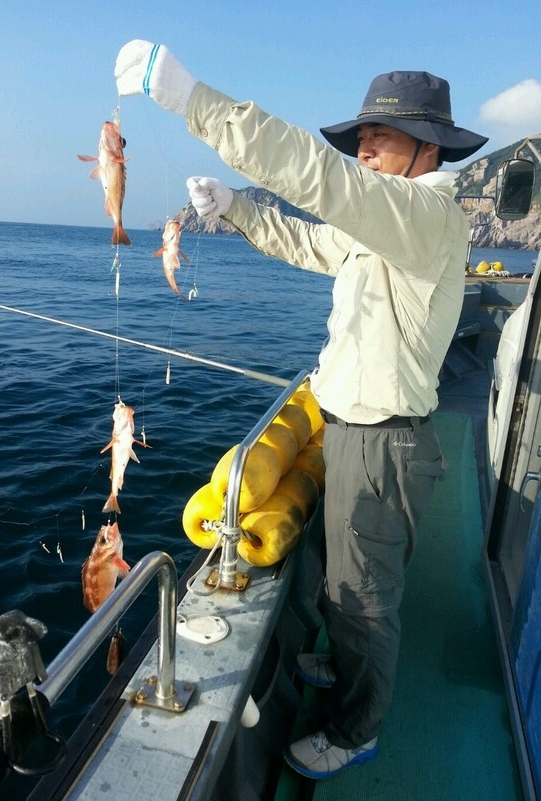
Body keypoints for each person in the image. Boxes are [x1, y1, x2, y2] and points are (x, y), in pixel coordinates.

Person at [114, 41, 488, 779]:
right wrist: (240, 210)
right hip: (356, 433)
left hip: (382, 443)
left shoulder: (423, 216)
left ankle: (357, 729)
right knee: (345, 579)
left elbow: (318, 183)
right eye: (360, 138)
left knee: (365, 598)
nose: (363, 148)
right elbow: (314, 238)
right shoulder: (390, 222)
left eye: (379, 135)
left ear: (427, 146)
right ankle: (339, 658)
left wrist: (197, 103)